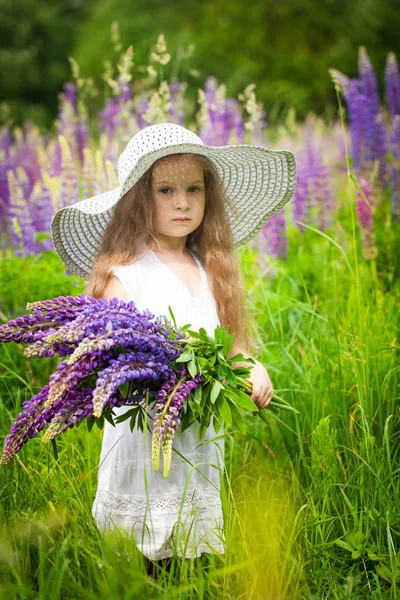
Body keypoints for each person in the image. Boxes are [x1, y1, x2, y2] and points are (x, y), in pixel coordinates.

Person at [50, 121, 296, 572]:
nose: (182, 202)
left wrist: (253, 368)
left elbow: (232, 345)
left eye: (194, 189)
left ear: (209, 196)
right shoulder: (125, 275)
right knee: (142, 558)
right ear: (138, 200)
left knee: (193, 558)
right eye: (165, 190)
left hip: (196, 440)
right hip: (144, 438)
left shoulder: (210, 269)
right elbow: (112, 356)